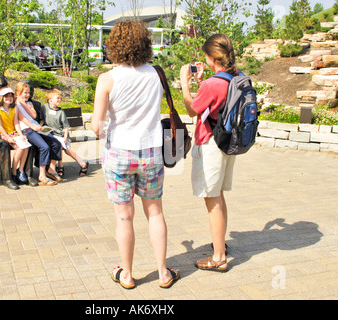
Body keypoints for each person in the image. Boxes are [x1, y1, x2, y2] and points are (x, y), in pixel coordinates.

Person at [91, 20, 179, 289]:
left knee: (124, 217)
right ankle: (163, 273)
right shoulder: (156, 74)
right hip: (151, 151)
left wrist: (105, 128)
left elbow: (97, 126)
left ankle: (127, 275)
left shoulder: (107, 79)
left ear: (114, 45)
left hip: (119, 152)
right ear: (145, 43)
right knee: (155, 213)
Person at [179, 33, 239, 272]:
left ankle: (219, 257)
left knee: (212, 200)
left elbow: (193, 110)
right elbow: (214, 102)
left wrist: (185, 83)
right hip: (228, 143)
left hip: (211, 144)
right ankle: (219, 245)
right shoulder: (235, 77)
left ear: (212, 58)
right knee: (219, 196)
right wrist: (202, 81)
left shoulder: (212, 84)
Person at [15, 81, 62, 186]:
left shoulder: (29, 103)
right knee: (44, 147)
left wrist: (24, 103)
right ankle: (42, 175)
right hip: (27, 129)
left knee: (56, 143)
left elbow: (34, 115)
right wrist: (33, 127)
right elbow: (21, 118)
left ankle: (51, 169)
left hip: (36, 127)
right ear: (18, 93)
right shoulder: (16, 104)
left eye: (28, 92)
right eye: (25, 93)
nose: (27, 95)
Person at [41, 89, 89, 177]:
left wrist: (65, 137)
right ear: (50, 99)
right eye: (57, 98)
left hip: (61, 135)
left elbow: (66, 127)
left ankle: (83, 164)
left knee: (67, 150)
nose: (60, 100)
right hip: (51, 135)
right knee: (56, 145)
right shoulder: (44, 108)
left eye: (60, 98)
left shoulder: (61, 112)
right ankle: (60, 166)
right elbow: (42, 119)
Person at [0, 87, 29, 186]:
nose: (9, 98)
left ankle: (20, 170)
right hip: (4, 133)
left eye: (10, 96)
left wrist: (21, 134)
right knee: (20, 148)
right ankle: (13, 171)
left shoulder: (15, 108)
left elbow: (16, 123)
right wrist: (7, 137)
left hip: (14, 132)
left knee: (26, 146)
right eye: (6, 96)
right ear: (1, 98)